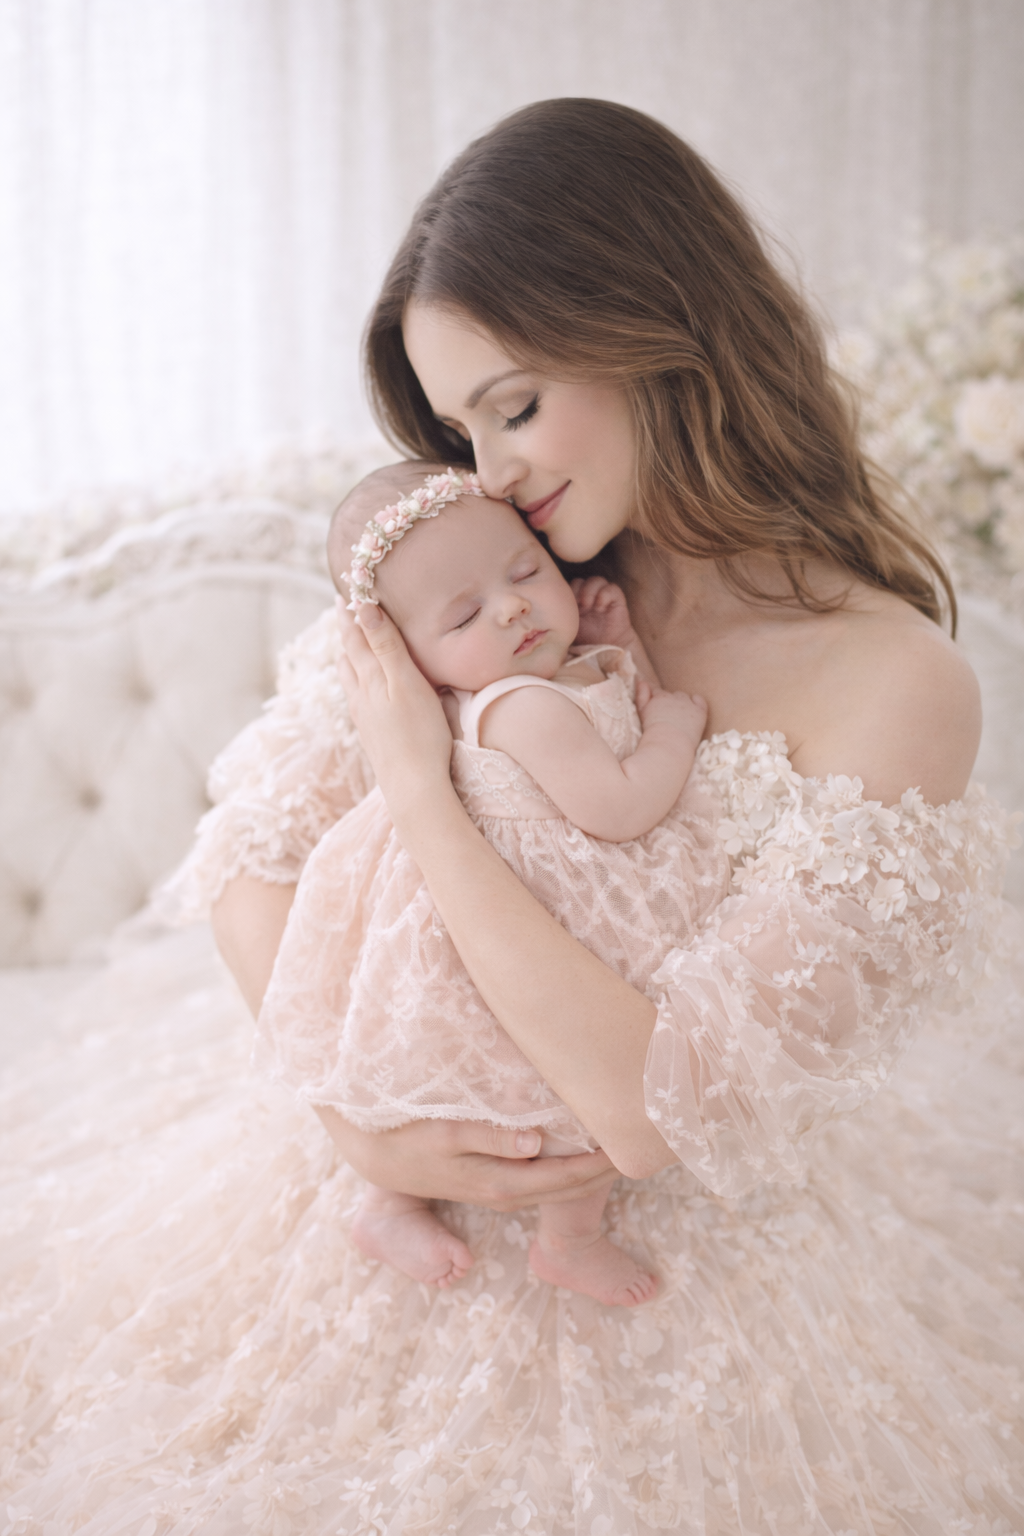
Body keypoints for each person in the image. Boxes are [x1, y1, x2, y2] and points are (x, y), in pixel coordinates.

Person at [2, 98, 1021, 1531]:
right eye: (459, 427)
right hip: (385, 1165)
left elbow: (651, 1103)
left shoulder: (893, 685)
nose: (489, 475)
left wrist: (423, 790)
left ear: (662, 328)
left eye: (516, 405)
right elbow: (246, 859)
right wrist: (354, 1117)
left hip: (670, 1251)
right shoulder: (502, 565)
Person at [259, 460, 709, 1306]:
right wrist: (676, 733)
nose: (510, 607)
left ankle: (397, 1200)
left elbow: (618, 701)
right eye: (465, 614)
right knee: (551, 1106)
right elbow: (619, 802)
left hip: (529, 926)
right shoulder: (521, 708)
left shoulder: (559, 675)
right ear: (418, 666)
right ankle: (560, 1240)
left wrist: (626, 642)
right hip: (515, 938)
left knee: (481, 1088)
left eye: (527, 572)